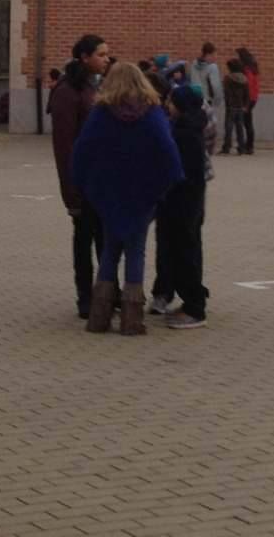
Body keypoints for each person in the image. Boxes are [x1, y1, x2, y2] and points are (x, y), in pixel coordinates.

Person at [71, 62, 183, 336]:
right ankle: (132, 320)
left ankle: (99, 318)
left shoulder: (101, 113)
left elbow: (81, 151)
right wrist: (161, 187)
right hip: (142, 192)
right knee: (136, 251)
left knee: (110, 250)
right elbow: (169, 154)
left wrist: (87, 184)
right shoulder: (152, 113)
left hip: (109, 191)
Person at [49, 33, 111, 320]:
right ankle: (85, 297)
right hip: (81, 182)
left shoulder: (92, 85)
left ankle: (108, 292)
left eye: (107, 54)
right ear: (84, 57)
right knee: (84, 239)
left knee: (104, 239)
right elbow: (64, 146)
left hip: (99, 179)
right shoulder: (67, 90)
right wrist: (71, 191)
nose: (106, 59)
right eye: (100, 54)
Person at [158, 83, 212, 330]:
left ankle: (194, 307)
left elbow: (179, 170)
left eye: (171, 101)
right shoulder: (193, 126)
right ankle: (190, 299)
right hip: (189, 199)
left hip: (182, 200)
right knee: (185, 248)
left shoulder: (184, 133)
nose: (168, 106)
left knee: (184, 251)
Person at [188, 42, 223, 143]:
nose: (214, 57)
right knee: (207, 123)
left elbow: (190, 80)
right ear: (208, 54)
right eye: (213, 55)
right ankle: (205, 143)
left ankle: (196, 141)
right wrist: (217, 100)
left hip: (194, 98)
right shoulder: (212, 67)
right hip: (207, 99)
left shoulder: (193, 65)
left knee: (196, 122)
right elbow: (216, 85)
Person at [220, 58, 252, 155]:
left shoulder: (228, 79)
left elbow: (226, 93)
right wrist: (246, 105)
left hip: (231, 106)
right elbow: (247, 94)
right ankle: (241, 148)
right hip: (240, 107)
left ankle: (227, 147)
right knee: (240, 128)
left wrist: (228, 103)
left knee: (228, 128)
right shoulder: (244, 79)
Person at [237, 47, 261, 154]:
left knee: (246, 122)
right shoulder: (253, 67)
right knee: (247, 122)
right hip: (253, 98)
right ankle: (248, 145)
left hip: (248, 99)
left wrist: (246, 103)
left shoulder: (247, 70)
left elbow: (249, 86)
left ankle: (248, 146)